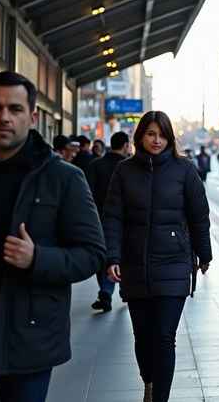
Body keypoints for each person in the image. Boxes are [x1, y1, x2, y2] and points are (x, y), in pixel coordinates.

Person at [0, 71, 105, 402]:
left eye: (14, 109)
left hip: (29, 338)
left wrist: (37, 259)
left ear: (32, 116)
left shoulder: (64, 178)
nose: (4, 117)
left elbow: (93, 253)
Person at [103, 111, 211, 402]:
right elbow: (112, 216)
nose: (156, 140)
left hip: (174, 263)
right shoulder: (124, 171)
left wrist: (204, 252)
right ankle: (149, 382)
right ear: (140, 137)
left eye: (162, 135)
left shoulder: (185, 170)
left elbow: (199, 215)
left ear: (170, 138)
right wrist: (112, 256)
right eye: (151, 134)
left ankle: (158, 398)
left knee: (165, 338)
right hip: (135, 263)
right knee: (143, 337)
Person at [86, 131, 131, 313]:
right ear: (126, 145)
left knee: (104, 256)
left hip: (98, 219)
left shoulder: (96, 165)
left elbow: (87, 193)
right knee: (123, 255)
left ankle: (105, 291)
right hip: (125, 220)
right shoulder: (128, 167)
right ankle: (124, 290)